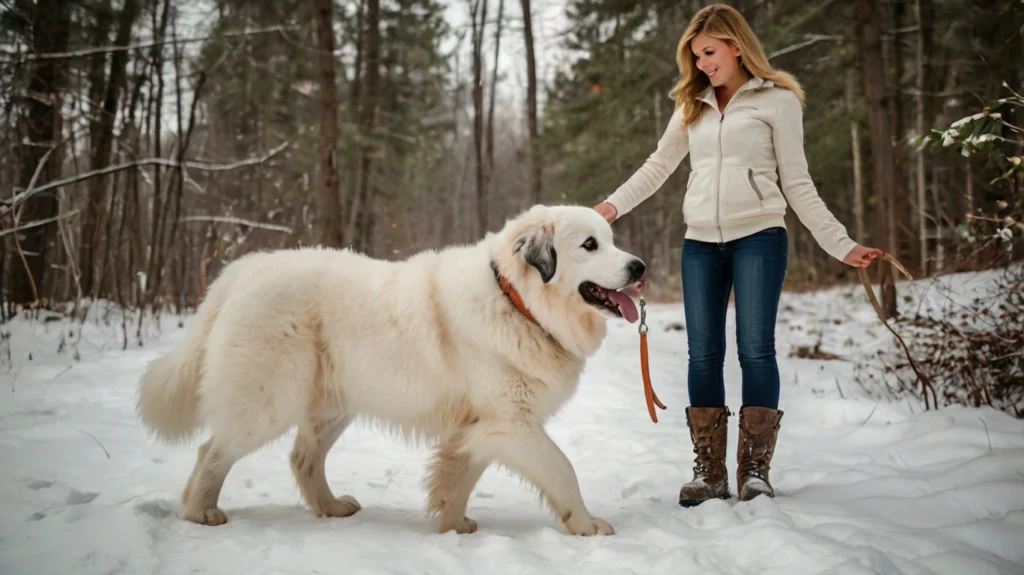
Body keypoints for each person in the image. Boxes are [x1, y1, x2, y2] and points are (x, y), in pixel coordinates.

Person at [594, 4, 881, 507]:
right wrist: (609, 208)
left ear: (736, 46)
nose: (702, 63)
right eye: (695, 55)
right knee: (703, 355)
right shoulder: (692, 104)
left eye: (709, 52)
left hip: (759, 238)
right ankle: (709, 472)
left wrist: (841, 243)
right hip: (700, 242)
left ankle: (753, 471)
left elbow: (798, 183)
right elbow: (658, 165)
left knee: (755, 350)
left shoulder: (778, 101)